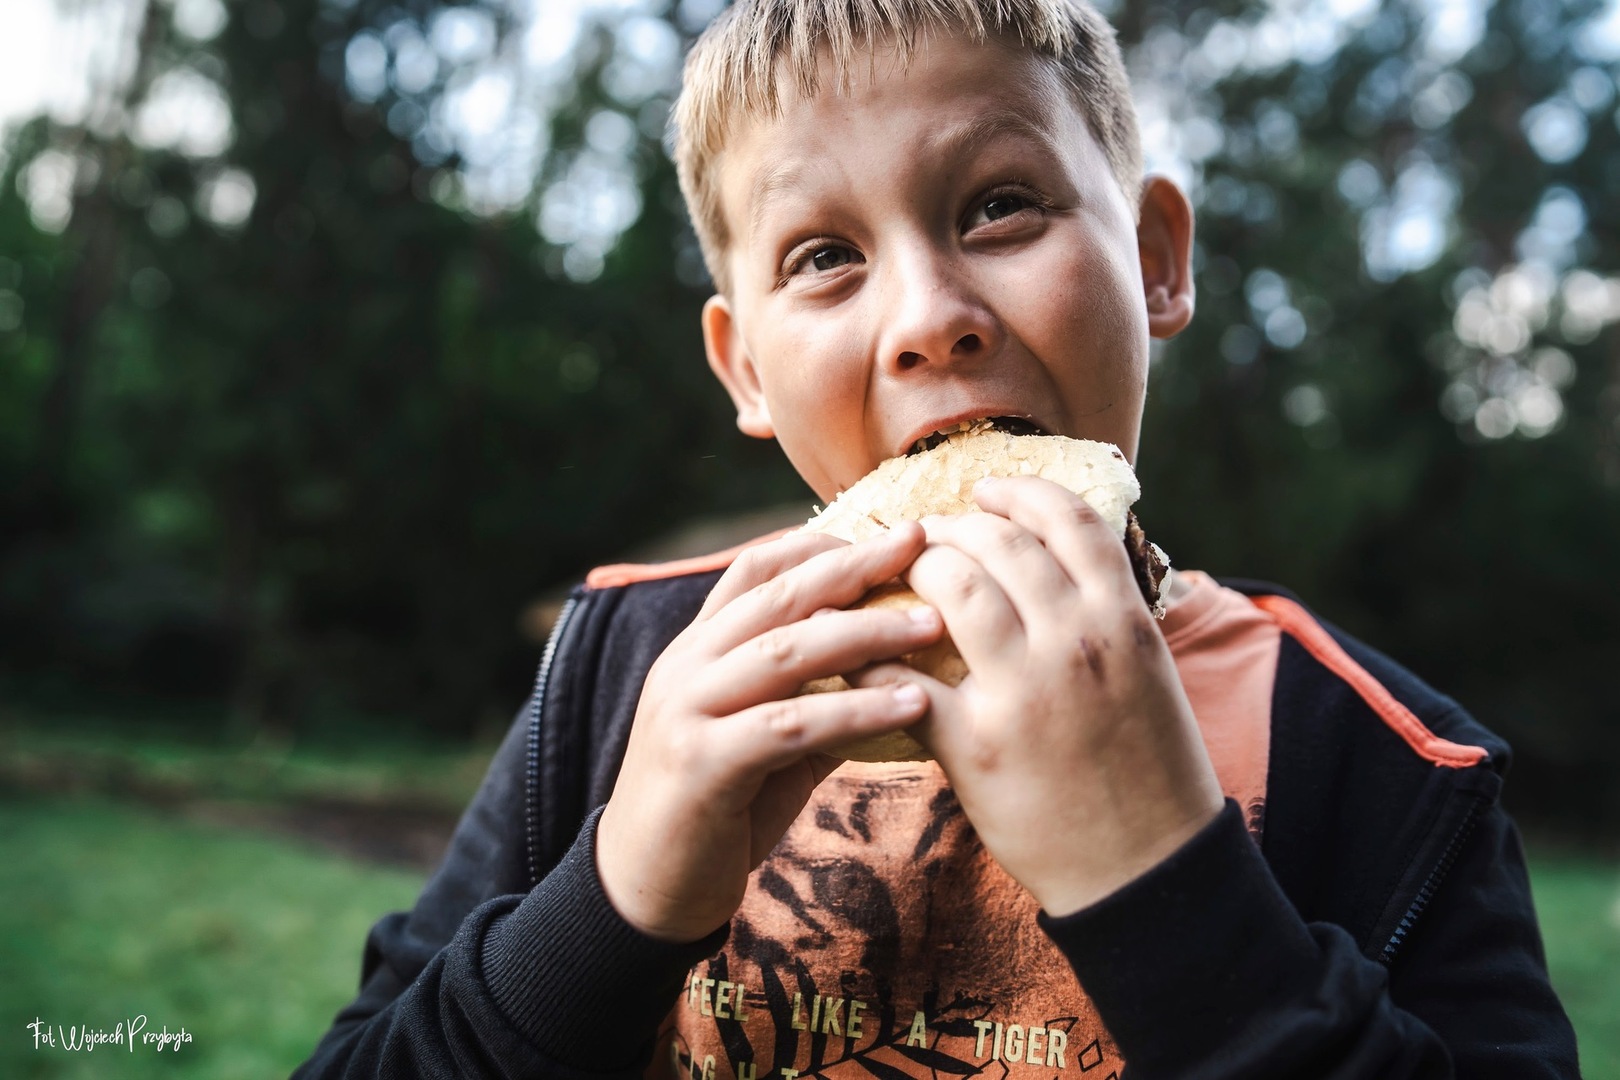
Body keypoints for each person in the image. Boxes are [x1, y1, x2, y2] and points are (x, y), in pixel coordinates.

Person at [293, 0, 1580, 1075]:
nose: (929, 317)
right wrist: (610, 901)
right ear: (744, 370)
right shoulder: (624, 667)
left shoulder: (1382, 757)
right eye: (823, 257)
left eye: (1001, 207)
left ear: (1156, 261)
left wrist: (1164, 879)